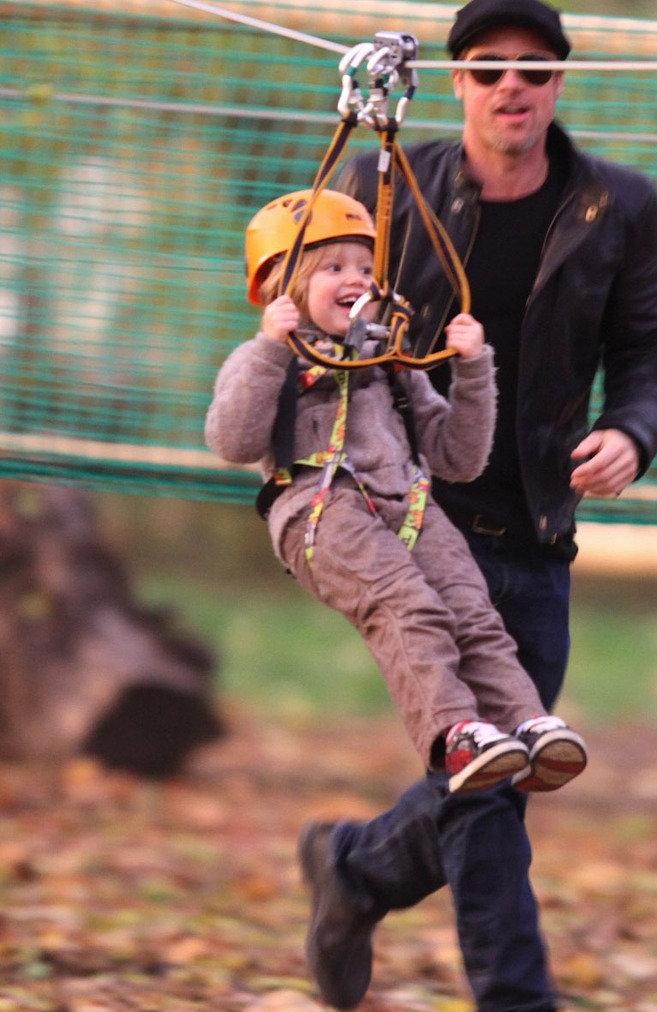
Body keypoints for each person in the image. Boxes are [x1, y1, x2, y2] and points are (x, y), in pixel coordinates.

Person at [302, 0, 657, 1012]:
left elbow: (653, 349)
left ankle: (356, 867)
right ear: (456, 81)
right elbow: (313, 296)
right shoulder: (383, 180)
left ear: (560, 82)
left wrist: (631, 429)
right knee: (486, 788)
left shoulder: (617, 204)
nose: (511, 85)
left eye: (534, 67)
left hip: (537, 529)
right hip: (417, 521)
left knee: (502, 771)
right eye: (488, 68)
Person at [205, 187, 587, 799]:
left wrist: (472, 369)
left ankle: (524, 719)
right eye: (334, 268)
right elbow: (232, 440)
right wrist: (269, 349)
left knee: (472, 609)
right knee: (410, 606)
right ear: (284, 285)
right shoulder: (266, 360)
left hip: (408, 506)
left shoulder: (388, 363)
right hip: (321, 512)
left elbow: (458, 459)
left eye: (363, 268)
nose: (356, 280)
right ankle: (455, 730)